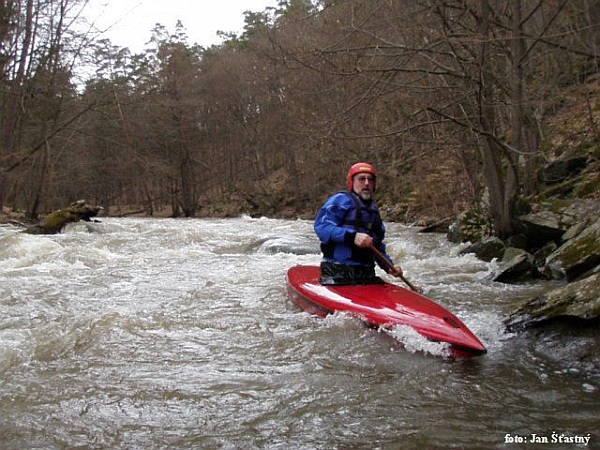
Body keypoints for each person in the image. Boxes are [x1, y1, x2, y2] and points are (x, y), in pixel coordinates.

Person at [314, 162, 403, 285]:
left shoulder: (373, 212)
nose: (366, 183)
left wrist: (389, 267)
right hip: (337, 271)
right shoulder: (340, 200)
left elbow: (377, 247)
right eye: (361, 179)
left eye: (370, 180)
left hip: (366, 273)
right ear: (352, 182)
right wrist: (352, 236)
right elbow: (322, 228)